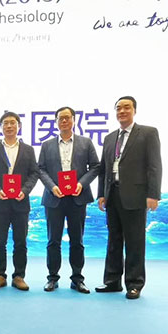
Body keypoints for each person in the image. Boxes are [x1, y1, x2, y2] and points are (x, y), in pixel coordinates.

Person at [96, 96, 162, 299]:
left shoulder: (148, 133)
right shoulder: (109, 138)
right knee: (113, 241)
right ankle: (112, 281)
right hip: (112, 195)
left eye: (126, 107)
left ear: (134, 110)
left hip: (136, 196)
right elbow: (104, 169)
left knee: (134, 242)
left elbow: (154, 166)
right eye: (118, 108)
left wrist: (153, 194)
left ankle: (134, 284)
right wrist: (101, 194)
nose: (122, 111)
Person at [38, 107, 100, 294]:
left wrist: (82, 184)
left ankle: (77, 279)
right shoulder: (47, 145)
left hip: (77, 198)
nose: (64, 121)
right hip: (54, 198)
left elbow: (95, 167)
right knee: (53, 241)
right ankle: (52, 278)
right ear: (56, 122)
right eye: (60, 118)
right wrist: (52, 187)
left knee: (77, 241)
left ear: (74, 120)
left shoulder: (86, 143)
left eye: (67, 117)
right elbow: (40, 169)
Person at [0, 112, 39, 291]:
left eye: (12, 123)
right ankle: (0, 275)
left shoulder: (28, 150)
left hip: (20, 202)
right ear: (1, 127)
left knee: (20, 242)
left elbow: (34, 173)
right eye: (5, 123)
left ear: (19, 126)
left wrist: (25, 191)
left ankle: (19, 276)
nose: (9, 126)